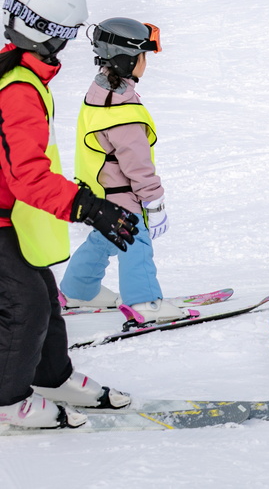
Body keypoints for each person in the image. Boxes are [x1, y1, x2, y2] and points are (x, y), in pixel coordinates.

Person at [0, 0, 140, 430]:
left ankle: (51, 376)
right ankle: (7, 401)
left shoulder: (17, 74)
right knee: (23, 303)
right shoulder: (19, 89)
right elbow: (29, 176)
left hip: (11, 216)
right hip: (5, 214)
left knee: (42, 294)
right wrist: (88, 206)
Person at [60, 18, 180, 324]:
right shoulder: (122, 112)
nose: (146, 63)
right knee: (135, 239)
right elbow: (137, 163)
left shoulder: (101, 92)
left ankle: (78, 290)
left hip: (99, 191)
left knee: (104, 237)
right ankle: (144, 303)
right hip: (120, 193)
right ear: (128, 60)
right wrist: (154, 200)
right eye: (143, 57)